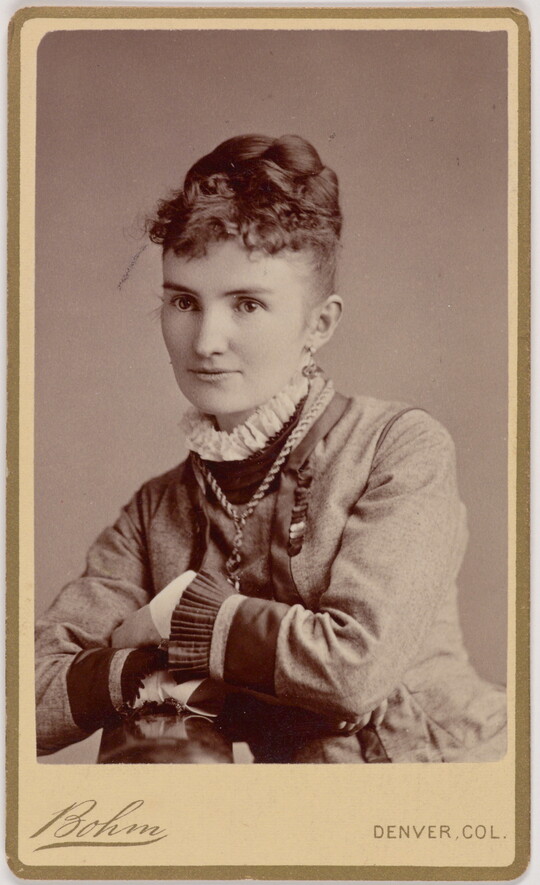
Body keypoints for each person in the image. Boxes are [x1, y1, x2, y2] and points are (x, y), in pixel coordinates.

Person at [35, 133, 507, 763]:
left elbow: (352, 672)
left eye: (248, 303)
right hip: (288, 825)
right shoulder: (159, 510)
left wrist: (178, 615)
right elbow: (25, 704)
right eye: (183, 301)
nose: (205, 340)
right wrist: (134, 674)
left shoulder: (397, 448)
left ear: (321, 324)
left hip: (449, 792)